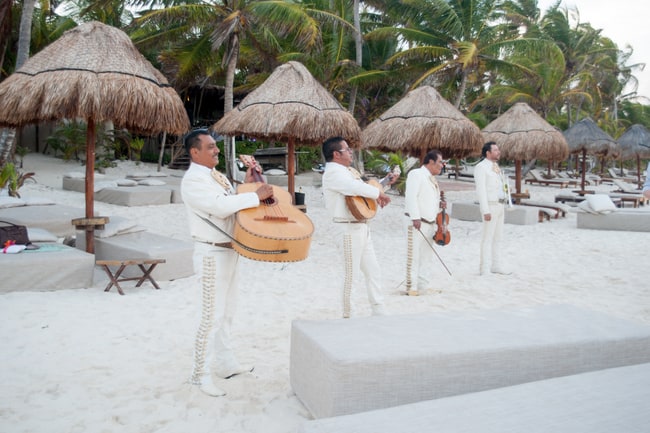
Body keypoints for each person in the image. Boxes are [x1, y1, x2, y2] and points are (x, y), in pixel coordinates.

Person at [181, 128, 273, 397]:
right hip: (210, 253)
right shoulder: (192, 180)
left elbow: (233, 201)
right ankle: (200, 375)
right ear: (194, 152)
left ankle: (225, 363)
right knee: (211, 315)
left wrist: (248, 184)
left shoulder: (215, 176)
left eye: (215, 146)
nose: (216, 150)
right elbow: (221, 207)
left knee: (228, 311)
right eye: (210, 147)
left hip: (229, 250)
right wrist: (256, 195)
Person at [321, 136, 395, 318]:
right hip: (346, 228)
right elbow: (352, 187)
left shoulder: (347, 171)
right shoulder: (332, 172)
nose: (350, 152)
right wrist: (378, 192)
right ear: (336, 154)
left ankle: (378, 309)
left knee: (373, 270)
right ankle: (349, 314)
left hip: (361, 226)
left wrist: (383, 185)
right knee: (351, 274)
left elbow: (362, 187)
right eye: (347, 150)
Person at [404, 150, 446, 296]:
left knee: (426, 256)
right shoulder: (416, 174)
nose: (442, 165)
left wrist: (441, 206)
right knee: (413, 255)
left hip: (430, 222)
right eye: (440, 162)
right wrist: (415, 217)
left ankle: (423, 285)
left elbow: (429, 200)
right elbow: (411, 196)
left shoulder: (432, 179)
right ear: (430, 162)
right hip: (417, 221)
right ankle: (411, 287)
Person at [474, 141, 511, 276]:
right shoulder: (481, 167)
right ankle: (484, 268)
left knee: (498, 237)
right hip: (490, 204)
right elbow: (481, 190)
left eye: (498, 149)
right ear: (488, 153)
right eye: (495, 150)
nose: (498, 152)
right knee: (487, 237)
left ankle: (496, 265)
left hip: (500, 204)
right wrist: (485, 210)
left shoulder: (496, 167)